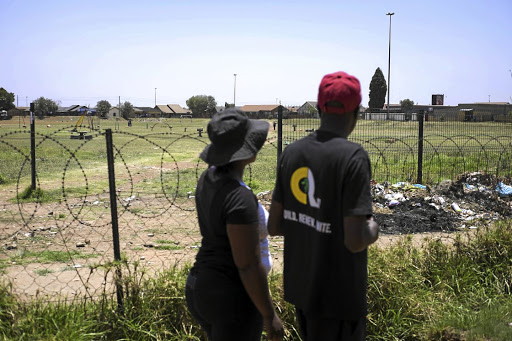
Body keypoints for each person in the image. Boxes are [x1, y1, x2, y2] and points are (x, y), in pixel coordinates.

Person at [268, 71, 379, 341]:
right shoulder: (353, 157)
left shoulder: (291, 153)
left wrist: (310, 223)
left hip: (303, 290)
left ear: (319, 109)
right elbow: (354, 241)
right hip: (339, 298)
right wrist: (373, 227)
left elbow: (274, 225)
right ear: (356, 113)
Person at [186, 109, 284, 341]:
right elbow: (248, 265)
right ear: (244, 151)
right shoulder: (240, 198)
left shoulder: (208, 178)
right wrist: (269, 315)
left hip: (201, 285)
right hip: (231, 296)